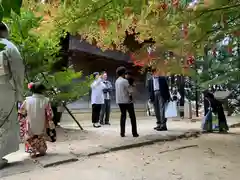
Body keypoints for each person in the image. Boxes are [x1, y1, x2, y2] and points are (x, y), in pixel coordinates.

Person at [0, 22, 25, 168]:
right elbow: (18, 71)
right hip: (5, 89)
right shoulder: (8, 46)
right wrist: (19, 94)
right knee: (4, 123)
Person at [18, 82, 56, 158]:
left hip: (30, 124)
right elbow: (50, 114)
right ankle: (41, 150)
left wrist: (22, 123)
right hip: (42, 124)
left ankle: (32, 151)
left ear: (32, 90)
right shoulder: (46, 100)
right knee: (40, 137)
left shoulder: (27, 100)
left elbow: (21, 113)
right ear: (42, 90)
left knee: (30, 137)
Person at [115, 66, 138, 137]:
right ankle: (134, 133)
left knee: (123, 116)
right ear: (123, 73)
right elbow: (130, 91)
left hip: (119, 101)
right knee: (132, 117)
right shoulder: (125, 81)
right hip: (127, 101)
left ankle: (122, 133)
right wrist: (133, 85)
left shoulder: (116, 81)